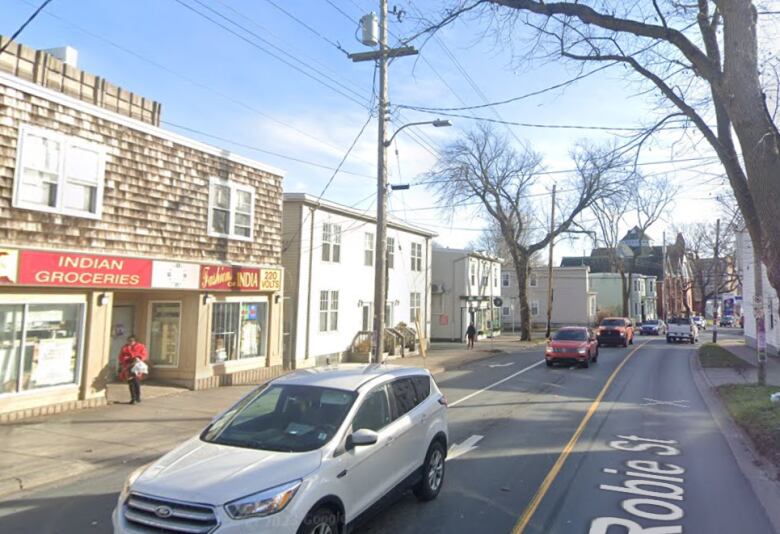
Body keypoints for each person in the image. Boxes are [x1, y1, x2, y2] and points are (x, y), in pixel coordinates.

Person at [118, 335, 148, 404]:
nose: (130, 342)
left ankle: (138, 397)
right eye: (129, 341)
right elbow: (121, 357)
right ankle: (133, 398)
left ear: (135, 341)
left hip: (137, 366)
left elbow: (144, 355)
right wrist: (126, 359)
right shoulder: (125, 347)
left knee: (136, 382)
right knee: (131, 383)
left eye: (131, 341)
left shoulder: (141, 346)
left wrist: (138, 358)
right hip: (128, 366)